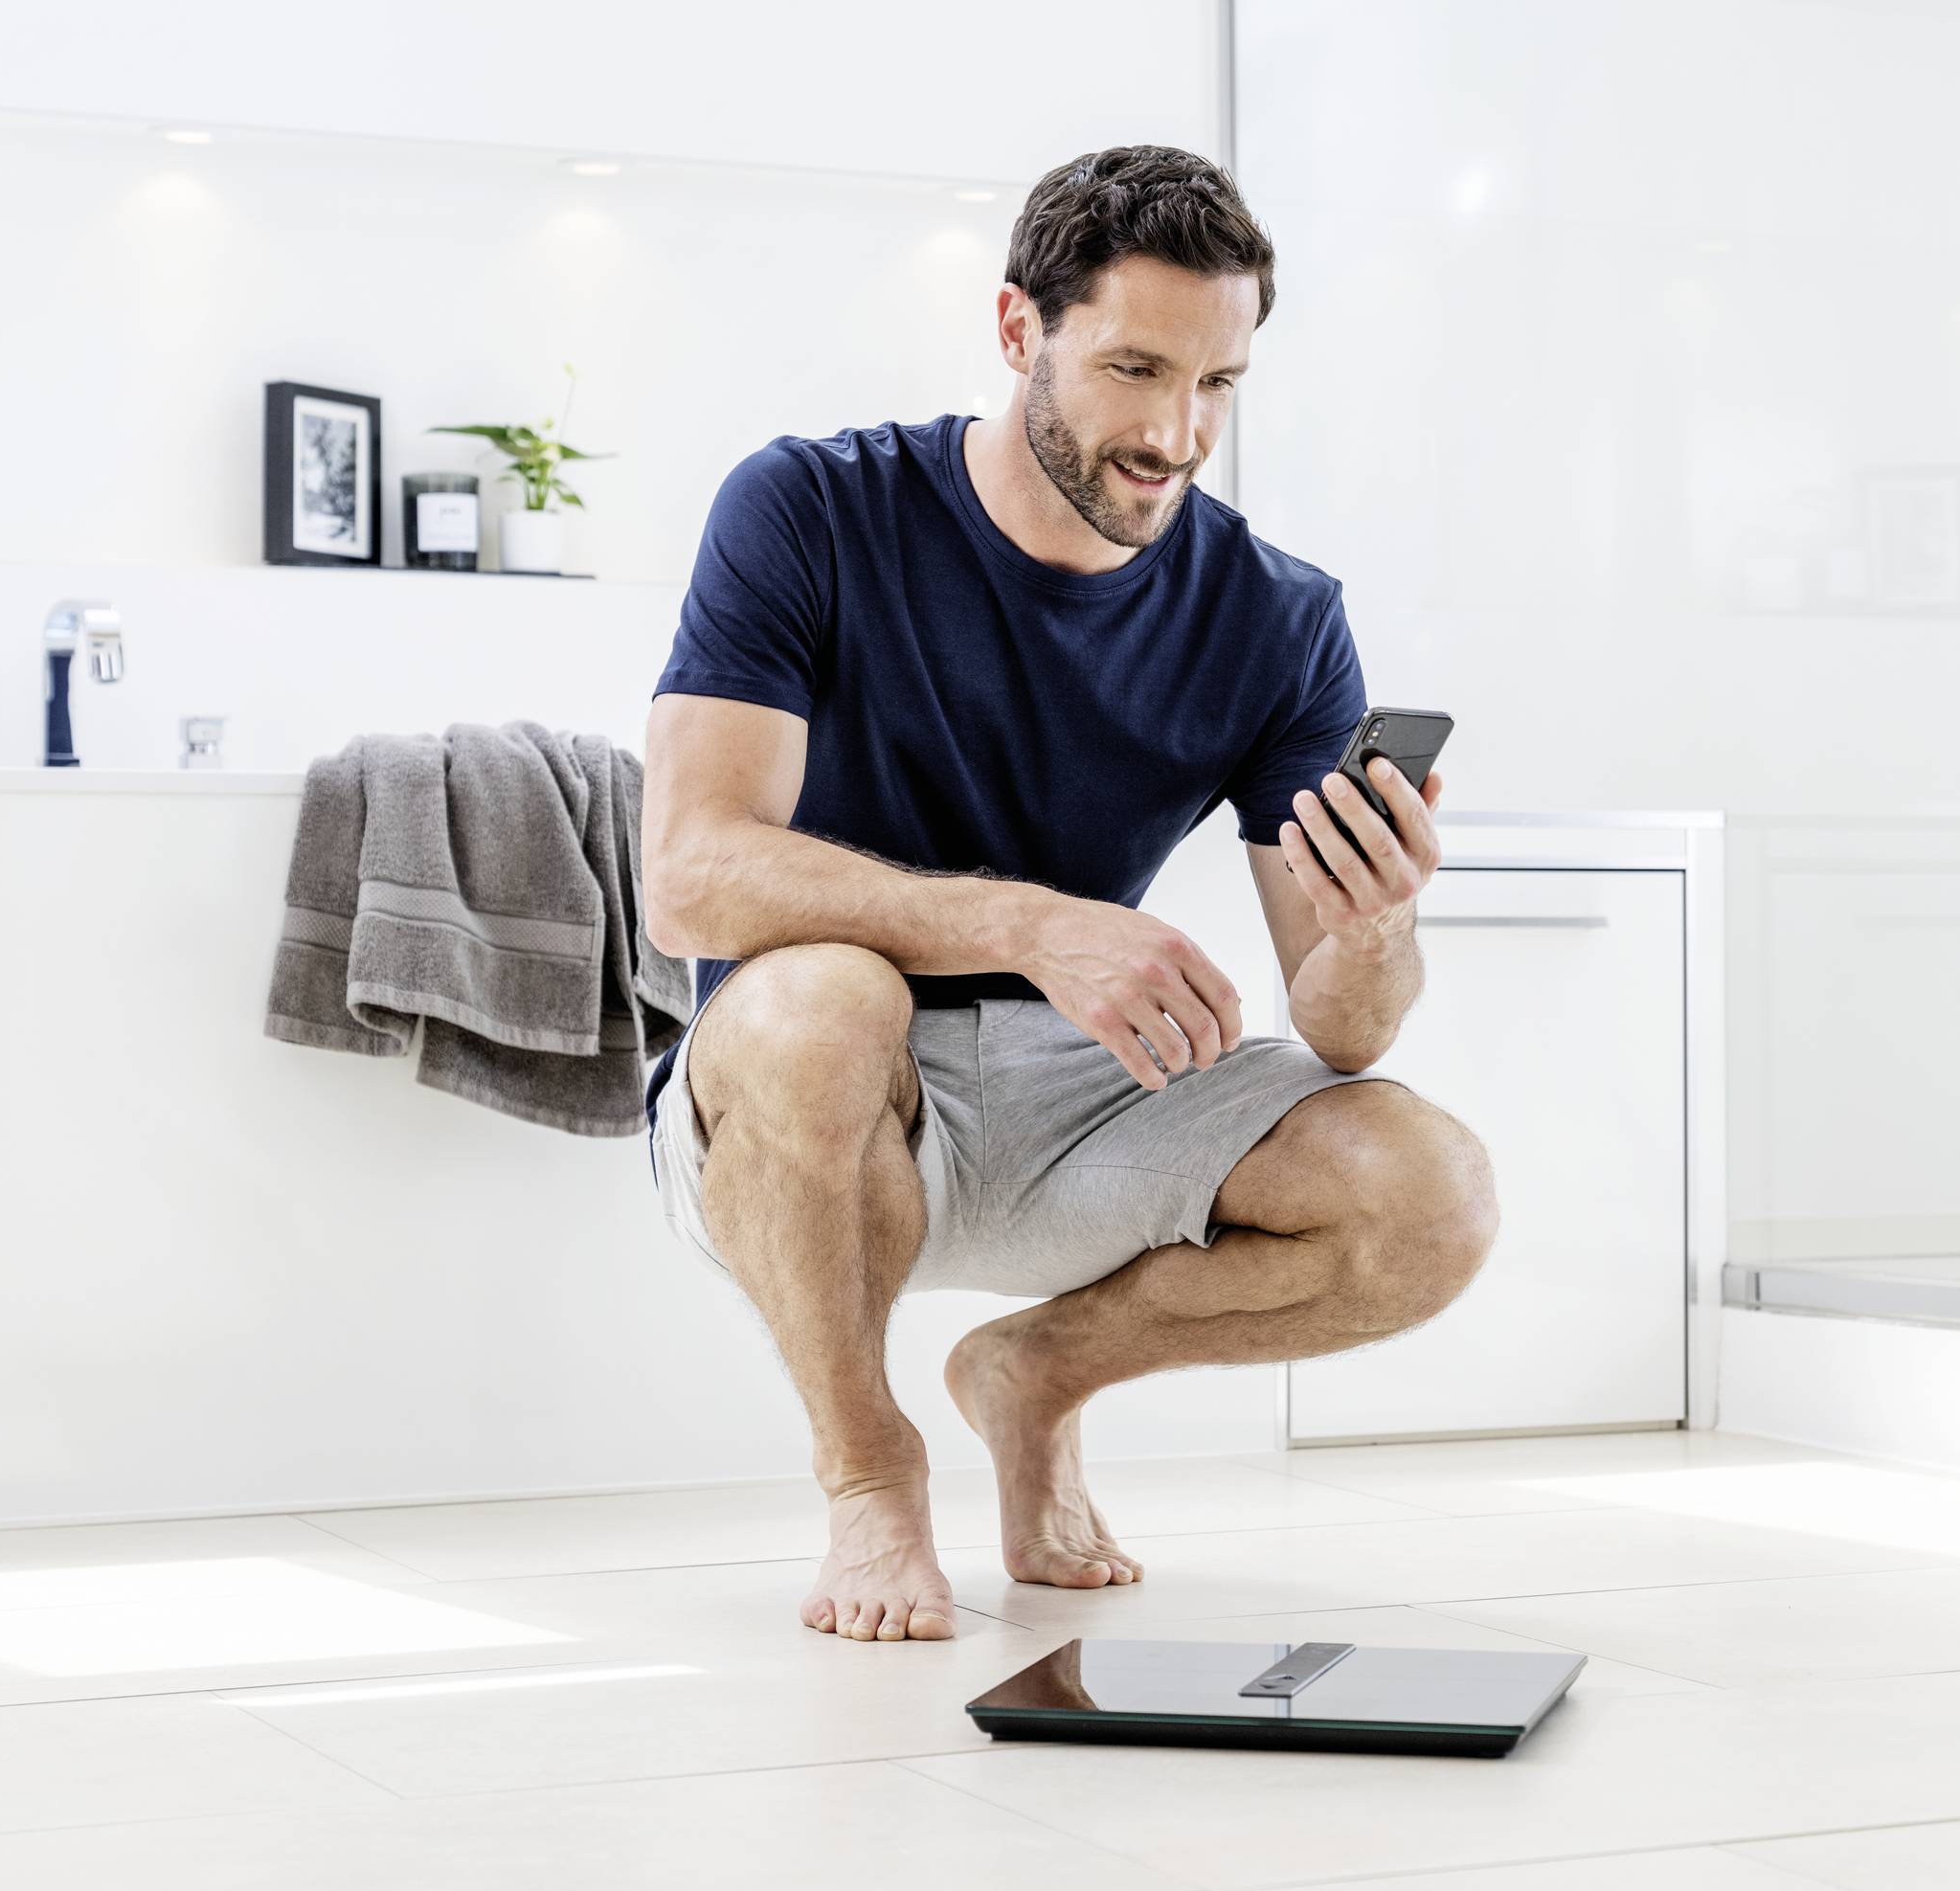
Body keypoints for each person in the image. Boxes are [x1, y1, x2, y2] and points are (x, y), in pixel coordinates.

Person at [638, 145, 1497, 1645]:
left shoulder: (1279, 618)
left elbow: (1345, 1034)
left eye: (1219, 383)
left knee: (1431, 1198)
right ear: (1018, 330)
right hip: (819, 1093)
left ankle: (1037, 1374)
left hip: (1082, 1097)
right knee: (821, 999)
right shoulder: (809, 509)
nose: (1177, 433)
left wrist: (1378, 922)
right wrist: (1031, 923)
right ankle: (871, 1478)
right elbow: (691, 881)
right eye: (1135, 368)